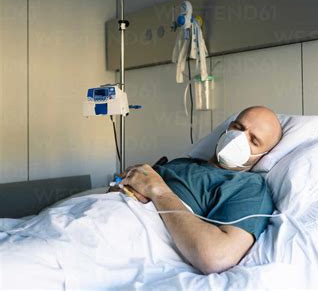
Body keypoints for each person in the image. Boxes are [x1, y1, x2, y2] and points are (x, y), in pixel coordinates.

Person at [119, 105, 282, 274]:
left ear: (263, 156)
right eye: (238, 128)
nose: (238, 138)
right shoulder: (180, 163)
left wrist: (159, 192)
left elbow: (216, 257)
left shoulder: (249, 187)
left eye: (253, 141)